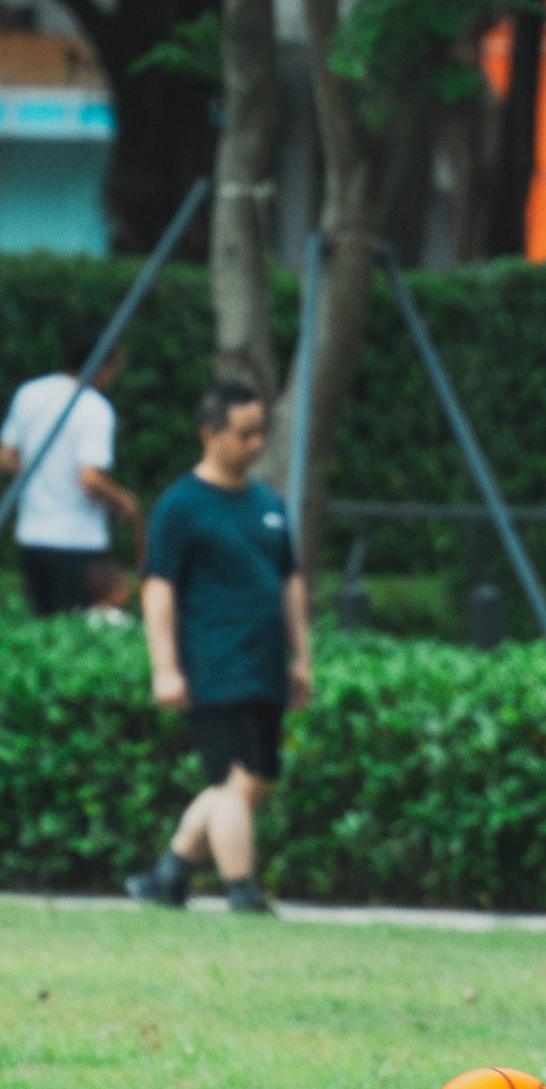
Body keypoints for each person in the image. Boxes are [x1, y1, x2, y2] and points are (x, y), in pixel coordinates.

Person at [126, 382, 312, 917]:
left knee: (258, 779)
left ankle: (171, 873)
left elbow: (289, 581)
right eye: (244, 433)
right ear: (210, 435)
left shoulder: (267, 504)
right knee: (234, 779)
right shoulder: (181, 506)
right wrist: (165, 668)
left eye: (261, 433)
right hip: (213, 664)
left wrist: (301, 658)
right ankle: (242, 890)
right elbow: (158, 587)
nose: (256, 444)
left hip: (266, 664)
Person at [0, 332, 142, 617]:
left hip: (31, 536)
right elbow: (89, 478)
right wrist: (124, 500)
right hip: (79, 541)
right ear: (104, 365)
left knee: (45, 628)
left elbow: (3, 458)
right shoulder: (95, 408)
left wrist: (39, 478)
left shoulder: (30, 393)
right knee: (83, 631)